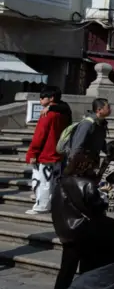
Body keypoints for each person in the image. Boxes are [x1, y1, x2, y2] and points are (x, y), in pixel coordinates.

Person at [51, 150, 107, 289]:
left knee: (65, 272)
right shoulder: (87, 185)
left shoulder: (61, 182)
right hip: (85, 232)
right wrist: (106, 194)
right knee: (87, 271)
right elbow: (99, 208)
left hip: (67, 232)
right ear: (87, 166)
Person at [26, 86, 71, 215]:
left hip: (45, 154)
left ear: (51, 98)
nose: (40, 100)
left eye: (42, 98)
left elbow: (39, 136)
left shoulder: (47, 114)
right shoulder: (63, 113)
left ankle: (42, 206)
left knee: (42, 182)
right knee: (54, 181)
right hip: (58, 153)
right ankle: (52, 204)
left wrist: (33, 152)